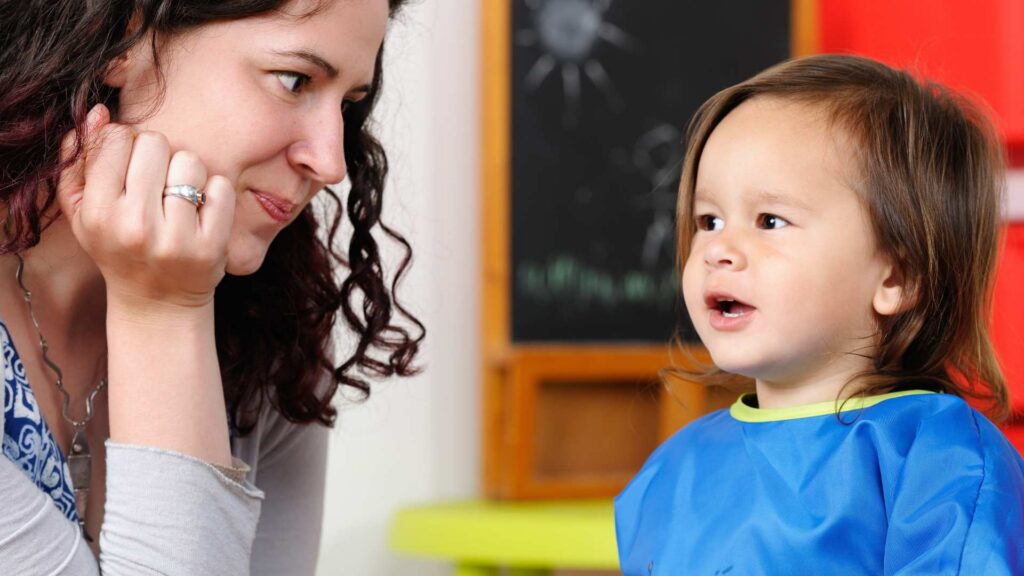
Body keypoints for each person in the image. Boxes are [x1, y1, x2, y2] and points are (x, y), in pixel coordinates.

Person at [0, 0, 421, 574]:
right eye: (294, 80)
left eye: (348, 104)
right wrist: (164, 312)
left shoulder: (274, 334)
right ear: (124, 38)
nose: (330, 162)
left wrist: (171, 307)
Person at [615, 54, 1024, 574]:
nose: (719, 249)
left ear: (897, 278)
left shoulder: (937, 460)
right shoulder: (673, 470)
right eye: (709, 219)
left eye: (769, 220)